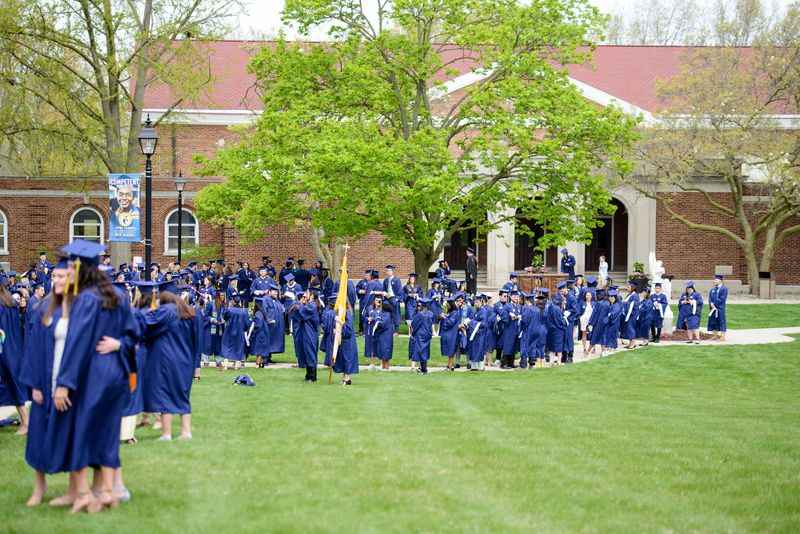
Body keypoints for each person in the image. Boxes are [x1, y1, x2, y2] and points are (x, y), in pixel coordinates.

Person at [55, 240, 138, 514]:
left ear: (80, 270)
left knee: (82, 432)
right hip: (116, 372)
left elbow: (77, 343)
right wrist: (119, 345)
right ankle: (105, 492)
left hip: (93, 373)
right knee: (107, 433)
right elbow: (134, 334)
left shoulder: (86, 299)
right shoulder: (117, 296)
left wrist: (64, 383)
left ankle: (83, 495)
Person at [20, 257, 69, 506]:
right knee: (38, 434)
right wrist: (35, 385)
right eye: (55, 276)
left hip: (69, 385)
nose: (57, 280)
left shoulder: (79, 309)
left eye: (63, 276)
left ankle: (74, 488)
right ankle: (40, 486)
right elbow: (33, 350)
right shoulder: (44, 308)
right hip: (44, 382)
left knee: (70, 436)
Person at [137, 281, 200, 445]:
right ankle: (186, 432)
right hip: (185, 359)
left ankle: (167, 434)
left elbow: (145, 324)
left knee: (165, 394)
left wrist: (149, 309)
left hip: (167, 360)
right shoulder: (189, 312)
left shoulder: (165, 311)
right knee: (182, 395)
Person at [0, 272, 29, 436]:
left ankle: (26, 423)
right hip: (13, 349)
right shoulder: (10, 302)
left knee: (12, 384)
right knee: (13, 384)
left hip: (3, 351)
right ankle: (25, 421)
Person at [322, 294, 359, 385]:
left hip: (347, 341)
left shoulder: (346, 313)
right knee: (343, 358)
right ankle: (344, 377)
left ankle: (347, 378)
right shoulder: (341, 312)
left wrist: (340, 321)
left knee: (347, 358)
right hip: (343, 340)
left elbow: (348, 330)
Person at [293, 290, 321, 382]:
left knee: (311, 354)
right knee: (307, 353)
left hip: (310, 333)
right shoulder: (309, 305)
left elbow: (301, 312)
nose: (304, 297)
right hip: (306, 332)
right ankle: (308, 375)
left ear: (311, 296)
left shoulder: (312, 306)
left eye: (306, 295)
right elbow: (297, 315)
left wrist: (300, 304)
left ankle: (312, 377)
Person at [221, 295, 251, 370]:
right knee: (239, 347)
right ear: (240, 302)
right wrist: (244, 329)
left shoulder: (229, 310)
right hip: (239, 332)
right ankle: (237, 366)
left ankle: (225, 365)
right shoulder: (244, 312)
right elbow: (247, 324)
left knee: (227, 346)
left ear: (233, 301)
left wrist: (228, 306)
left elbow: (224, 316)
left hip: (229, 331)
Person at [410, 298, 434, 374]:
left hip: (420, 335)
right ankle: (424, 368)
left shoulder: (420, 314)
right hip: (427, 334)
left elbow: (415, 325)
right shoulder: (430, 314)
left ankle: (424, 369)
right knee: (425, 351)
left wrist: (413, 333)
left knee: (420, 351)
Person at [499, 291, 521, 368]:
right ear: (510, 297)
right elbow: (502, 316)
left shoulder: (518, 306)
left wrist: (520, 317)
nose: (516, 298)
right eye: (514, 297)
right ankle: (504, 363)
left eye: (517, 297)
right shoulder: (507, 306)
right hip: (509, 329)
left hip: (516, 328)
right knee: (508, 345)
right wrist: (509, 314)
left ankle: (511, 363)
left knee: (514, 345)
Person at [250, 298, 273, 368]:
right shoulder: (262, 313)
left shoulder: (258, 314)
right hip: (264, 334)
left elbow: (258, 325)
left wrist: (253, 333)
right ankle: (261, 363)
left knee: (259, 350)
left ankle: (257, 364)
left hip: (260, 334)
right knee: (261, 349)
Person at [439, 297, 460, 371]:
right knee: (449, 350)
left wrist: (444, 317)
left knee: (451, 350)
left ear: (451, 304)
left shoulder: (454, 313)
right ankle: (449, 365)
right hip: (449, 333)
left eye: (447, 304)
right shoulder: (450, 312)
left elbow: (450, 322)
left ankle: (450, 367)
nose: (446, 305)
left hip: (452, 334)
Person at [373, 301, 395, 371]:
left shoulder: (386, 314)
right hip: (386, 335)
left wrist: (376, 321)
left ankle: (386, 367)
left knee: (385, 351)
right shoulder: (388, 314)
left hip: (385, 336)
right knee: (384, 351)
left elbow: (383, 324)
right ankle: (384, 367)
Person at [382, 265, 403, 334]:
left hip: (394, 298)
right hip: (387, 298)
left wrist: (397, 298)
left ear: (392, 271)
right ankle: (388, 328)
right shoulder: (385, 280)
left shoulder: (397, 280)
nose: (388, 272)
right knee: (387, 313)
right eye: (387, 271)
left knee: (396, 313)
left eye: (389, 270)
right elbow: (384, 290)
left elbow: (399, 290)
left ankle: (396, 330)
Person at [602, 289, 622, 356]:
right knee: (609, 334)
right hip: (610, 323)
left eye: (612, 297)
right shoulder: (611, 304)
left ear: (615, 298)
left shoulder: (617, 305)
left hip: (614, 323)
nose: (610, 299)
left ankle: (613, 348)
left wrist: (609, 314)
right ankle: (610, 347)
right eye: (610, 297)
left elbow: (614, 314)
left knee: (613, 335)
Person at [707, 275, 728, 341]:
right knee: (714, 321)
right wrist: (711, 303)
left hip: (720, 308)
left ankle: (722, 336)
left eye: (716, 280)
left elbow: (722, 299)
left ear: (720, 281)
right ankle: (714, 335)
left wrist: (714, 303)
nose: (714, 281)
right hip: (713, 308)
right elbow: (710, 297)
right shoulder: (713, 289)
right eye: (714, 280)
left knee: (721, 321)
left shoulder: (724, 289)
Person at [364, 295, 382, 370]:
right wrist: (368, 318)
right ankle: (372, 363)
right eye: (376, 300)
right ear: (374, 301)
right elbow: (364, 317)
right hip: (371, 329)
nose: (378, 302)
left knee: (381, 346)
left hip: (380, 329)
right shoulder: (369, 308)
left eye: (379, 300)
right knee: (372, 346)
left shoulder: (383, 309)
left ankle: (382, 363)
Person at [621, 281, 640, 349]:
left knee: (631, 329)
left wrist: (625, 303)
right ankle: (630, 343)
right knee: (628, 329)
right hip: (627, 315)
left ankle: (633, 343)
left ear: (633, 288)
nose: (627, 288)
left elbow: (635, 304)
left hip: (632, 315)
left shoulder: (635, 295)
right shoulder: (629, 295)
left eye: (628, 287)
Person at [578, 290, 594, 355]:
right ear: (585, 296)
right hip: (584, 321)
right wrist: (580, 318)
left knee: (592, 334)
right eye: (587, 295)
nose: (588, 296)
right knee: (584, 334)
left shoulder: (594, 303)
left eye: (589, 295)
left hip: (591, 320)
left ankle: (593, 347)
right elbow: (579, 311)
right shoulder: (582, 303)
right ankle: (584, 348)